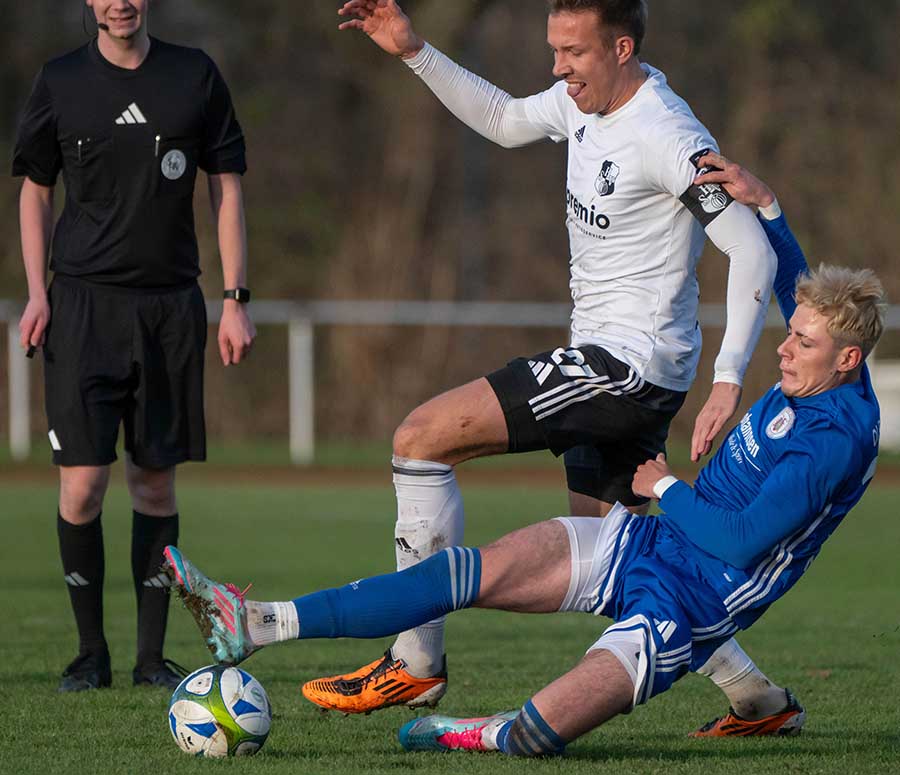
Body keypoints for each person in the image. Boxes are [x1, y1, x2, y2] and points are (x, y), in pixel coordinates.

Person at [163, 158, 883, 754]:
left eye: (803, 343)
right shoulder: (826, 367)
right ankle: (258, 622)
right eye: (792, 334)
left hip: (696, 603)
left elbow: (743, 540)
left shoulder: (834, 441)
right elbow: (795, 287)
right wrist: (769, 206)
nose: (784, 348)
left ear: (848, 360)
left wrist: (666, 485)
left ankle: (473, 731)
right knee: (463, 571)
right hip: (651, 545)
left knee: (535, 734)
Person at [317, 0, 784, 727]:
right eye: (554, 50)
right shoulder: (581, 103)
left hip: (625, 367)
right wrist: (413, 50)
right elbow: (505, 119)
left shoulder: (667, 132)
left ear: (621, 48)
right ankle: (757, 698)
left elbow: (750, 247)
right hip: (623, 365)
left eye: (574, 52)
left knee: (420, 437)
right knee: (616, 559)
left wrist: (728, 380)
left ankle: (415, 662)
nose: (559, 68)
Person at [12, 0, 255, 692]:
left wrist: (235, 298)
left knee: (153, 481)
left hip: (169, 307)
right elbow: (35, 192)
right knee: (83, 484)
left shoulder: (194, 75)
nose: (121, 2)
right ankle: (90, 653)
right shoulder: (61, 80)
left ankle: (150, 659)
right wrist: (36, 292)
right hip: (81, 308)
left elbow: (227, 187)